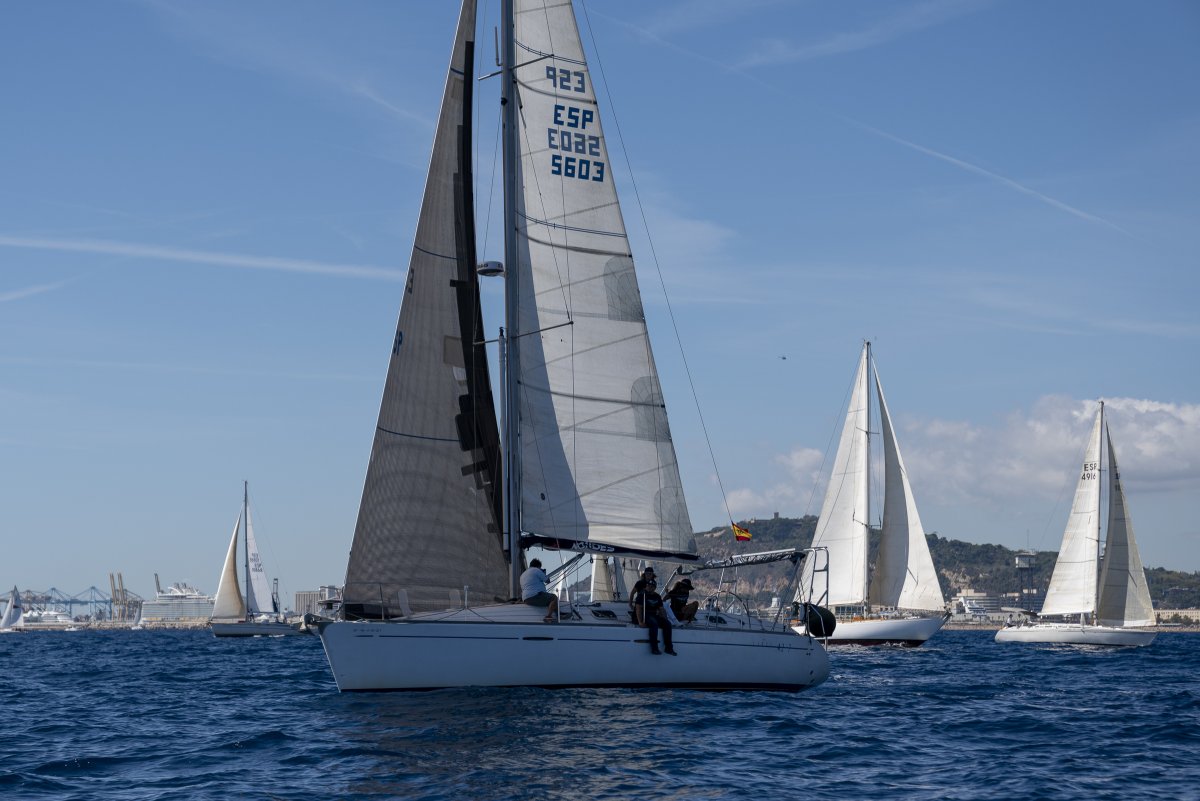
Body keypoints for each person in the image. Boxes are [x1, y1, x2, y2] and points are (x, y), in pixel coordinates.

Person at [632, 578, 675, 655]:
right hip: (645, 615)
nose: (649, 587)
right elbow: (638, 609)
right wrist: (640, 622)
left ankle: (668, 648)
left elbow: (661, 609)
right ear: (646, 586)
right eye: (648, 585)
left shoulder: (657, 596)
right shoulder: (641, 595)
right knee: (654, 623)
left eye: (652, 586)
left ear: (655, 588)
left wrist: (665, 619)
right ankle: (654, 648)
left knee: (668, 624)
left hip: (654, 615)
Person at [520, 558, 559, 623]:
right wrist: (543, 573)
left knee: (548, 599)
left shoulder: (523, 574)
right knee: (553, 597)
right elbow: (547, 580)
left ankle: (556, 613)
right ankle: (549, 616)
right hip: (535, 596)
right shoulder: (536, 570)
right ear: (538, 566)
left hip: (526, 599)